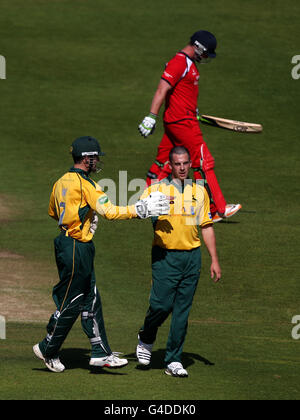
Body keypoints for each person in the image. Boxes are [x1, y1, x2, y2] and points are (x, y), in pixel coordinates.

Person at [33, 135, 170, 373]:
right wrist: (140, 210)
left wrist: (81, 219)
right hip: (77, 246)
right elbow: (109, 211)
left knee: (91, 298)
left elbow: (53, 212)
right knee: (73, 301)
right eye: (94, 157)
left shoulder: (60, 182)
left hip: (67, 243)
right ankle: (47, 347)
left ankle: (100, 352)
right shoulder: (88, 185)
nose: (97, 161)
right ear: (86, 159)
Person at [138, 30, 241, 223]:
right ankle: (216, 209)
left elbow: (181, 92)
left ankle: (147, 199)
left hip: (178, 120)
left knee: (163, 160)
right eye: (205, 53)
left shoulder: (188, 64)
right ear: (198, 47)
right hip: (183, 123)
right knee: (203, 162)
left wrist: (192, 108)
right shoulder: (180, 62)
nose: (205, 57)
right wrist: (151, 116)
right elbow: (162, 88)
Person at [136, 146, 221, 377]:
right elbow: (139, 210)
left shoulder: (199, 191)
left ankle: (173, 360)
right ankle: (147, 335)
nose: (182, 168)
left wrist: (214, 259)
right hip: (165, 256)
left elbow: (206, 226)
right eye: (177, 164)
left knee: (182, 310)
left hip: (192, 257)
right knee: (161, 305)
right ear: (170, 166)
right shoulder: (157, 189)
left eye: (185, 164)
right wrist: (153, 206)